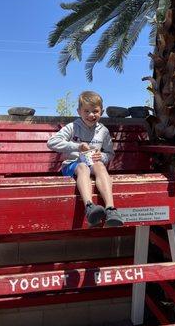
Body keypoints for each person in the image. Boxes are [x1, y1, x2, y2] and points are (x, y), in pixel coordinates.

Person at [47, 91, 124, 228]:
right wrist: (77, 146)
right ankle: (89, 207)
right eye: (86, 111)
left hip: (93, 165)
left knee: (100, 165)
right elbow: (52, 142)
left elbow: (110, 153)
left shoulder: (103, 131)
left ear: (101, 111)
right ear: (79, 111)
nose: (91, 115)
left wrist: (103, 156)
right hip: (72, 165)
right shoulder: (73, 127)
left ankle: (111, 209)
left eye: (95, 111)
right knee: (82, 167)